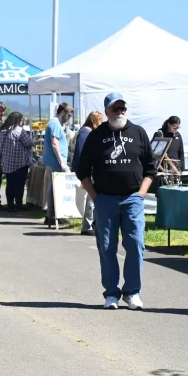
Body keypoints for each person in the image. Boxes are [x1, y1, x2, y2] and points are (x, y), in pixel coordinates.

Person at [75, 93, 156, 310]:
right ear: (106, 112)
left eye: (123, 108)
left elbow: (151, 167)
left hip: (132, 199)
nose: (120, 112)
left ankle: (132, 292)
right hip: (105, 199)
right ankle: (111, 293)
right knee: (107, 247)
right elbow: (82, 171)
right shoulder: (95, 136)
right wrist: (96, 198)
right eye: (115, 109)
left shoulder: (138, 133)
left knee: (136, 245)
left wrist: (141, 193)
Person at [72, 111, 104, 236]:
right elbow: (82, 152)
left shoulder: (84, 131)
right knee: (92, 197)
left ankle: (90, 223)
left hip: (87, 169)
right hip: (88, 170)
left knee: (91, 197)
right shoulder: (86, 132)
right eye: (100, 120)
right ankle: (88, 224)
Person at [42, 102, 74, 227]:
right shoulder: (55, 124)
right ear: (62, 112)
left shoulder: (56, 124)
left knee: (54, 188)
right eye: (68, 114)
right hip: (56, 161)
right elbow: (54, 143)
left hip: (55, 161)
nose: (69, 117)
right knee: (58, 189)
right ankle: (55, 215)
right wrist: (61, 161)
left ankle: (51, 215)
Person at [0, 112, 35, 211]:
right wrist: (36, 141)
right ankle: (18, 203)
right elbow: (29, 143)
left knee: (10, 185)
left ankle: (10, 204)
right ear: (19, 120)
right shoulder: (19, 131)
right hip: (20, 163)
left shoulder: (3, 131)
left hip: (7, 162)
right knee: (19, 185)